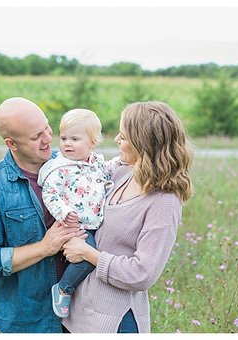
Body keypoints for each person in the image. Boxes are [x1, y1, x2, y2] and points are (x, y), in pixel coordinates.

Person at [61, 101, 193, 333]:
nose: (116, 141)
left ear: (143, 143)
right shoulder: (122, 172)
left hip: (114, 322)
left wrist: (87, 253)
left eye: (123, 136)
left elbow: (142, 273)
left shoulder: (164, 201)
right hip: (78, 314)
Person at [0, 97, 87, 333]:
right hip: (24, 323)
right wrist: (44, 247)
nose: (48, 138)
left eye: (47, 127)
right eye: (35, 136)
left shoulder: (74, 165)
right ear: (12, 144)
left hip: (81, 320)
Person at [40, 109, 120, 318]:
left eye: (75, 139)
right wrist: (64, 212)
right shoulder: (59, 168)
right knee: (87, 258)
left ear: (92, 143)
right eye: (64, 138)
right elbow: (50, 194)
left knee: (93, 257)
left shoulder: (94, 162)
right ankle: (63, 289)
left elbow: (109, 168)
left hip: (93, 224)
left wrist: (121, 162)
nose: (67, 143)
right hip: (73, 226)